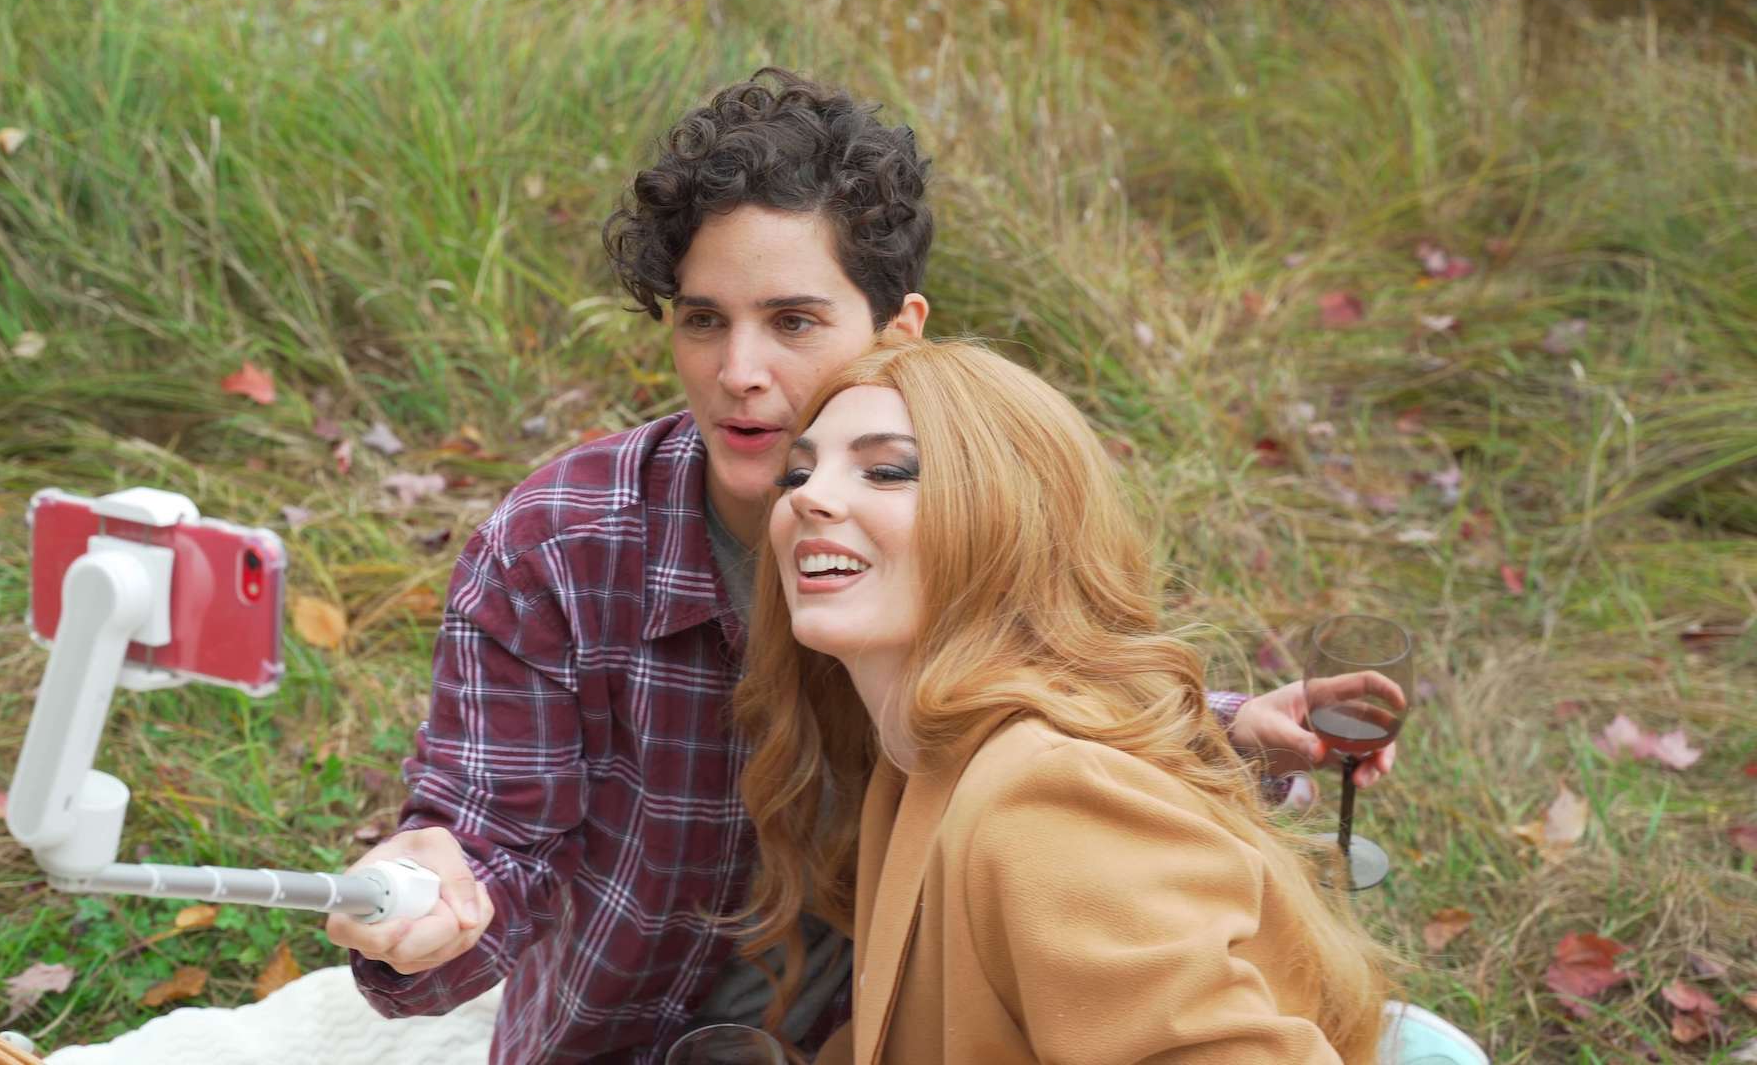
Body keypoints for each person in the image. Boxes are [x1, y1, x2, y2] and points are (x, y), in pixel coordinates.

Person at [325, 69, 1394, 1062]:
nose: (740, 373)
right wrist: (418, 893)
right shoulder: (557, 545)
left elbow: (1021, 701)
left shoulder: (963, 514)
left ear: (899, 328)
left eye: (793, 321)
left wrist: (1230, 730)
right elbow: (489, 849)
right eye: (704, 322)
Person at [731, 337, 1397, 1063]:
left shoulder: (1047, 796)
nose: (809, 496)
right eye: (796, 473)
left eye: (886, 470)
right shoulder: (916, 754)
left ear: (1010, 520)